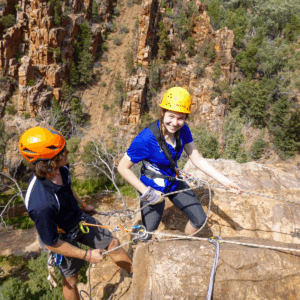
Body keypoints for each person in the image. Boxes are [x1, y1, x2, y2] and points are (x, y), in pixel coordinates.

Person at [19, 126, 132, 300]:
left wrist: (82, 204)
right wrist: (87, 255)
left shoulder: (61, 167)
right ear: (48, 162)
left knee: (113, 242)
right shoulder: (41, 202)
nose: (67, 153)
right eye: (62, 152)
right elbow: (51, 243)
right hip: (60, 237)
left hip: (78, 220)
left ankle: (135, 274)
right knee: (71, 280)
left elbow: (67, 186)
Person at [118, 87, 242, 238]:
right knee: (147, 232)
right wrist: (146, 192)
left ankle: (184, 244)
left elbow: (197, 158)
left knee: (199, 219)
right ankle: (137, 253)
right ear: (162, 112)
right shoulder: (146, 138)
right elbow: (123, 167)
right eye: (171, 116)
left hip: (173, 180)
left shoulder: (182, 131)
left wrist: (226, 182)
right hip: (152, 185)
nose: (175, 122)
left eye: (180, 118)